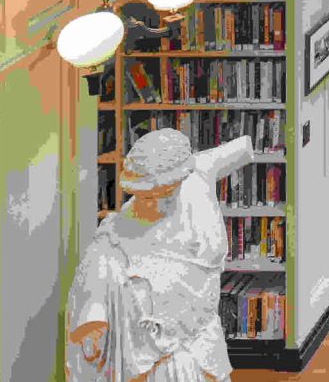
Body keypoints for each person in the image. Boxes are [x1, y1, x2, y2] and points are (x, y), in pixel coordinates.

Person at [66, 129, 255, 382]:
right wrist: (94, 316)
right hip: (154, 357)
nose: (154, 202)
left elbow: (243, 146)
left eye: (164, 193)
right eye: (146, 196)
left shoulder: (200, 173)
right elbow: (97, 275)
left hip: (203, 335)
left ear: (180, 179)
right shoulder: (115, 237)